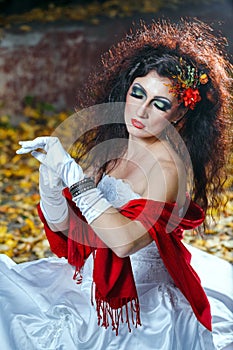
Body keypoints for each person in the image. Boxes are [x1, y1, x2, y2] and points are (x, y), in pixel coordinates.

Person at [0, 18, 232, 350]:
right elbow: (71, 231)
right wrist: (50, 181)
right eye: (138, 93)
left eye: (160, 104)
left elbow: (122, 242)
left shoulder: (168, 170)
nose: (141, 109)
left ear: (179, 116)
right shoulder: (115, 148)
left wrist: (71, 172)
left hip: (136, 304)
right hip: (87, 284)